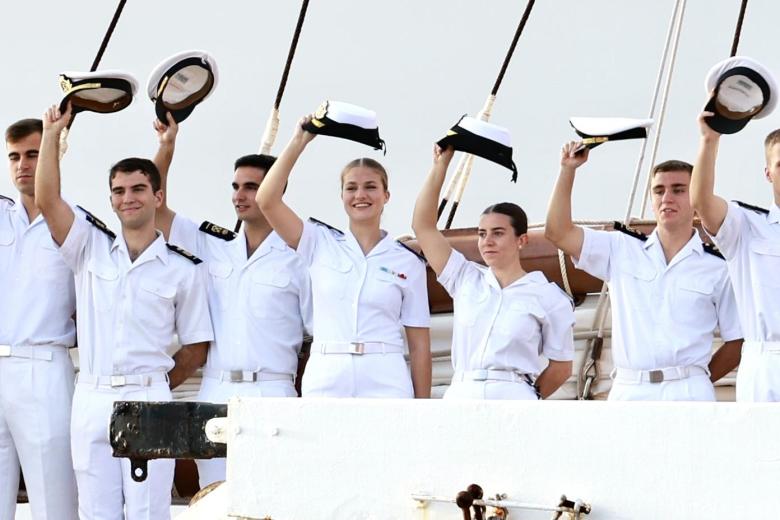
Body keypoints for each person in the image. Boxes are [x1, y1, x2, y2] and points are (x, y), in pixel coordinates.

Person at [35, 103, 213, 519]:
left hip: (148, 395)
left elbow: (197, 346)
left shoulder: (183, 269)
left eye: (137, 189)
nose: (127, 198)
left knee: (148, 511)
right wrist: (51, 134)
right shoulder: (88, 248)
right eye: (119, 191)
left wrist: (157, 385)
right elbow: (47, 199)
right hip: (92, 395)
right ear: (111, 200)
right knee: (95, 511)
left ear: (157, 196)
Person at [151, 114, 312, 487]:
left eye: (252, 187)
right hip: (217, 388)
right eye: (236, 186)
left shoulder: (301, 256)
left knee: (274, 495)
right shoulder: (213, 245)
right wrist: (166, 147)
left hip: (274, 390)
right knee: (215, 496)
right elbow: (155, 210)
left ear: (277, 190)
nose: (240, 195)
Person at [546, 142, 743, 401]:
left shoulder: (719, 266)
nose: (667, 198)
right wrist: (567, 169)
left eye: (679, 190)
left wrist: (700, 379)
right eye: (659, 191)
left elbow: (737, 340)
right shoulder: (619, 248)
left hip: (689, 389)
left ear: (696, 197)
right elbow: (558, 233)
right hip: (630, 389)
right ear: (652, 201)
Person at [256, 115, 431, 398]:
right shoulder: (317, 241)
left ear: (386, 195)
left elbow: (420, 345)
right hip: (328, 370)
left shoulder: (408, 261)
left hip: (385, 373)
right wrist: (299, 140)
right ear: (341, 195)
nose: (360, 194)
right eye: (351, 187)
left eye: (371, 186)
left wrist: (424, 409)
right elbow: (266, 200)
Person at [412, 145, 574, 399]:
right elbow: (423, 226)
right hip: (462, 393)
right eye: (482, 234)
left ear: (521, 240)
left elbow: (561, 367)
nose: (487, 241)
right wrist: (441, 165)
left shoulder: (548, 297)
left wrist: (527, 397)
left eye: (498, 233)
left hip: (514, 394)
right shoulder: (464, 278)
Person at [0, 118, 78, 519]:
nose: (22, 165)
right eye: (14, 157)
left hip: (44, 368)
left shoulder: (76, 226)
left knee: (54, 501)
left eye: (33, 154)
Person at [691, 112, 780, 402]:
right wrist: (709, 139)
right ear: (768, 173)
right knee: (762, 447)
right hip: (767, 362)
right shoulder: (746, 226)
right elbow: (702, 202)